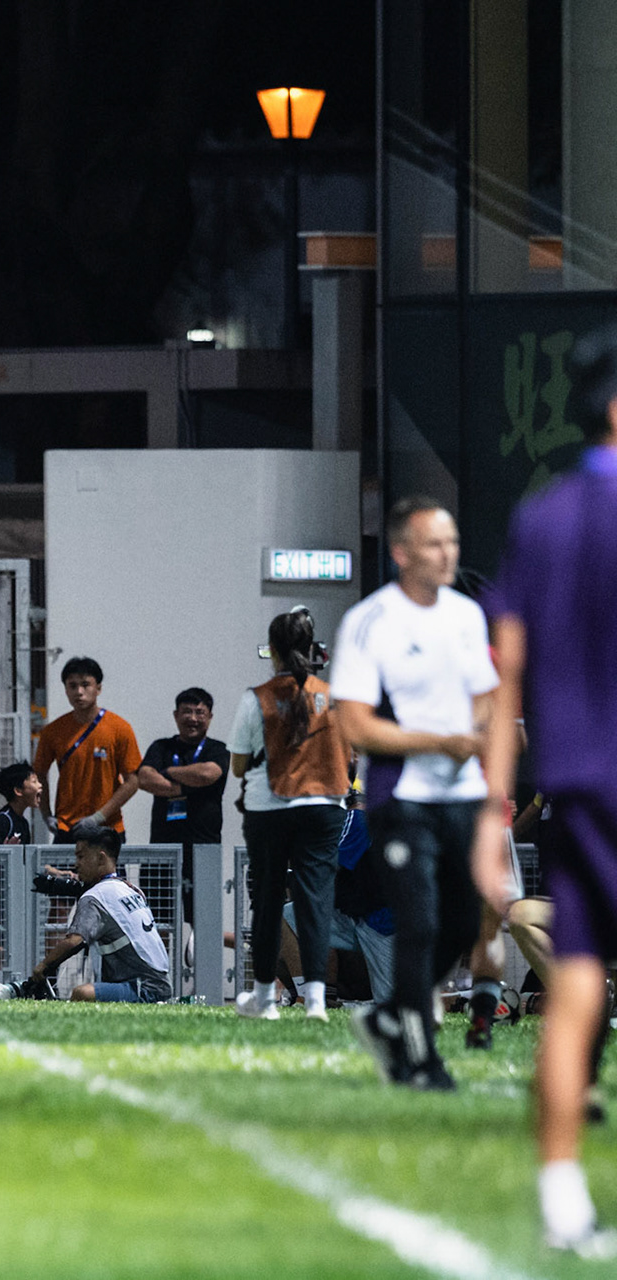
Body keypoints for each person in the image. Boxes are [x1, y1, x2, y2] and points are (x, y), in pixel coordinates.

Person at [476, 327, 617, 1256]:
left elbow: (504, 669)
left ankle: (563, 1194)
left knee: (572, 986)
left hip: (576, 786)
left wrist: (494, 809)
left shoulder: (542, 518)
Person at [334, 498, 496, 1093]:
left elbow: (483, 692)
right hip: (401, 796)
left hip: (464, 794)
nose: (448, 554)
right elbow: (355, 725)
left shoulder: (466, 616)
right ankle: (419, 1056)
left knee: (463, 922)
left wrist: (482, 730)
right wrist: (439, 740)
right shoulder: (370, 622)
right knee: (420, 922)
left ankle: (383, 1016)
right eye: (434, 544)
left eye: (452, 542)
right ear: (402, 553)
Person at [229, 608, 352, 1023]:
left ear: (274, 650)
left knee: (266, 902)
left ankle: (265, 999)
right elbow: (349, 757)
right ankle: (316, 1000)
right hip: (325, 808)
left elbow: (239, 766)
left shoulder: (258, 698)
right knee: (315, 902)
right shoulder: (334, 696)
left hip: (271, 809)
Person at [14, 821, 171, 1003]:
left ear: (101, 859)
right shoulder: (131, 889)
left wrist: (41, 967)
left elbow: (74, 941)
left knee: (82, 994)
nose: (76, 864)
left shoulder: (96, 896)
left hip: (142, 989)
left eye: (81, 857)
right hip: (162, 985)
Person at [276, 788, 395, 1006]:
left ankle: (463, 999)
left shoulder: (355, 818)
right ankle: (315, 997)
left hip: (383, 924)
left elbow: (327, 870)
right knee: (288, 916)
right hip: (358, 917)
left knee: (394, 1006)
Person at [136, 687, 228, 914]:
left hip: (203, 850)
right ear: (176, 715)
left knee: (203, 919)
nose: (193, 718)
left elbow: (208, 774)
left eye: (200, 712)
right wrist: (188, 784)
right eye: (187, 712)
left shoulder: (218, 749)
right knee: (156, 921)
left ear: (210, 717)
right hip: (161, 850)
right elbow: (145, 778)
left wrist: (167, 772)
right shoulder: (161, 746)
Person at [31, 658, 143, 841]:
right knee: (60, 871)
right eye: (72, 686)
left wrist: (99, 817)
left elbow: (133, 781)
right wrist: (46, 815)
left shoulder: (119, 728)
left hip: (108, 828)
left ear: (98, 688)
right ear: (66, 690)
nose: (79, 692)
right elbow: (39, 773)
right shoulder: (53, 731)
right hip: (66, 827)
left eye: (85, 685)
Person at [0, 762, 43, 844]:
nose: (40, 785)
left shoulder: (23, 823)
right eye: (34, 781)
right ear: (18, 791)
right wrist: (6, 852)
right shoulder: (2, 820)